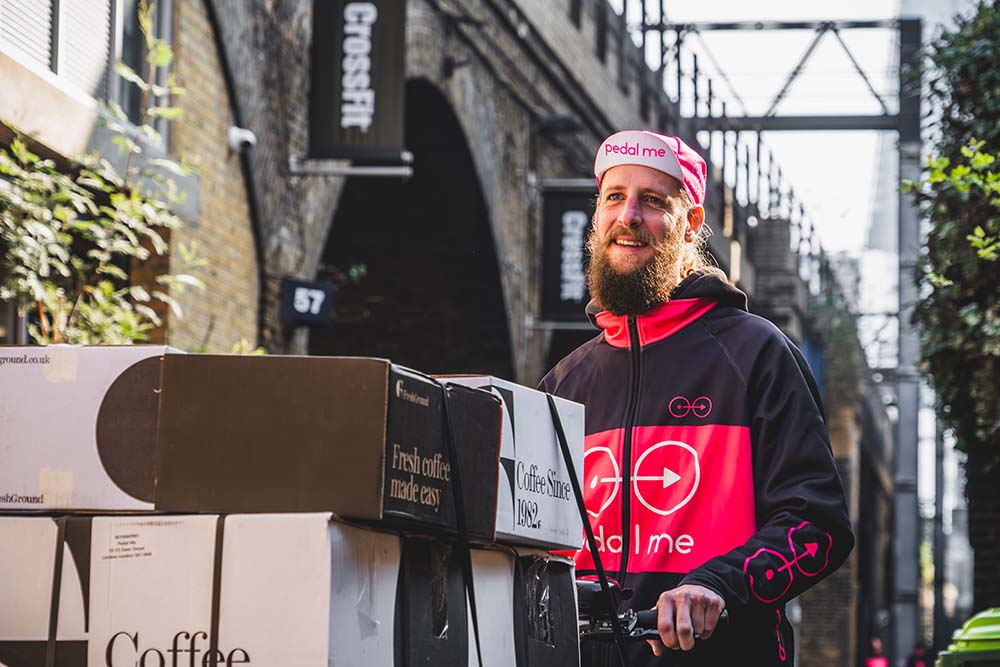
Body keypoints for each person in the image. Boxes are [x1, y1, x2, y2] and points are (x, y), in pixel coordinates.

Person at [539, 130, 854, 666]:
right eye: (614, 197)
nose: (628, 216)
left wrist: (718, 587)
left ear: (689, 224)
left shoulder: (757, 354)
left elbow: (817, 526)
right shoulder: (565, 382)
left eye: (653, 201)